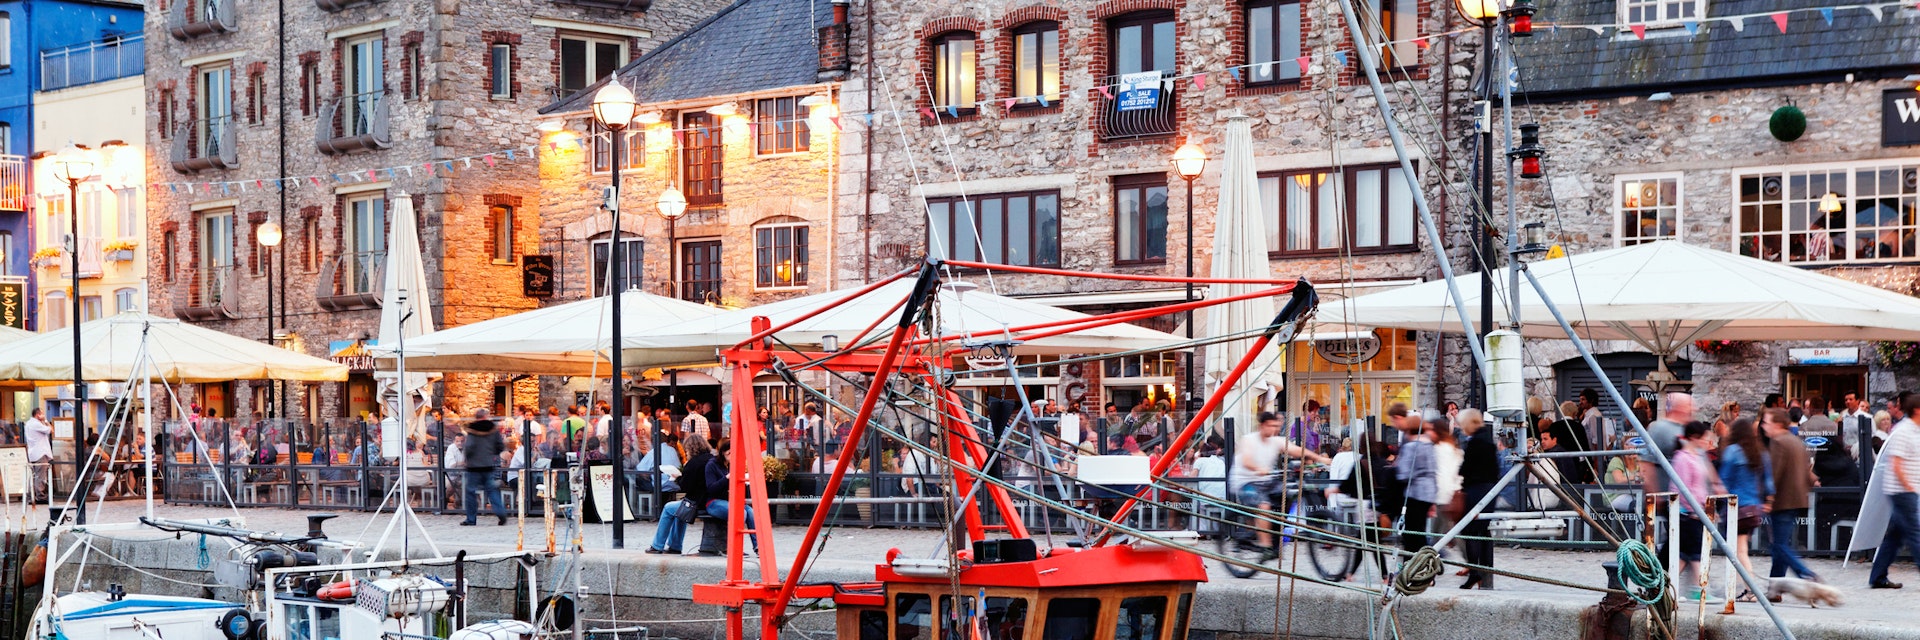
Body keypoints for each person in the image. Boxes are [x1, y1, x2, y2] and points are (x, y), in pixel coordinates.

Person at [1229, 412, 1330, 559]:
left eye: (1276, 426)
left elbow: (1297, 450)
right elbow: (1246, 460)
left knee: (1288, 493)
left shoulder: (1276, 441)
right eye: (1270, 426)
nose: (1274, 429)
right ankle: (1266, 547)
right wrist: (1258, 469)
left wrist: (1318, 458)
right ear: (1262, 426)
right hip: (1245, 481)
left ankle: (1276, 534)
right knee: (1264, 505)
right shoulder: (1249, 440)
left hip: (1266, 481)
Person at [1761, 408, 1819, 584]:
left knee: (1779, 545)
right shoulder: (1796, 441)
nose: (1763, 426)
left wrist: (1768, 499)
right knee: (1780, 543)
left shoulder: (1778, 442)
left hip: (1783, 500)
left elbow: (1774, 474)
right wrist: (1814, 480)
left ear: (1777, 424)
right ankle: (1775, 586)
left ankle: (1805, 574)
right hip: (1796, 498)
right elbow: (1806, 469)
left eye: (1766, 422)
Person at [1717, 417, 1772, 603]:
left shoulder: (1732, 451)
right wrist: (1768, 501)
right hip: (1754, 509)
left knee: (1740, 552)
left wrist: (1718, 505)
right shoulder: (1759, 453)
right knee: (1741, 550)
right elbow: (1768, 482)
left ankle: (1751, 589)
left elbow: (1723, 481)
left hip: (1737, 509)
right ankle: (1746, 589)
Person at [1869, 392, 1920, 589]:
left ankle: (1877, 576)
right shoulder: (1904, 431)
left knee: (1895, 536)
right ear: (1916, 410)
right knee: (1915, 533)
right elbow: (1896, 463)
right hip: (1902, 490)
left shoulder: (1914, 430)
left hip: (1907, 489)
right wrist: (1908, 486)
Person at [1673, 420, 1726, 601]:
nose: (1707, 442)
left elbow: (1699, 486)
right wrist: (1694, 510)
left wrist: (1706, 508)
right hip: (1688, 513)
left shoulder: (1695, 457)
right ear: (1695, 437)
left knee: (1686, 555)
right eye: (1704, 438)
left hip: (1696, 511)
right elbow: (1683, 487)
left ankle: (1670, 588)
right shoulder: (1683, 458)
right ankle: (1698, 590)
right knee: (1693, 554)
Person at [1396, 410, 1439, 554]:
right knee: (1420, 530)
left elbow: (1404, 473)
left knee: (1411, 534)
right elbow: (1434, 471)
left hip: (1414, 493)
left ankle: (1413, 564)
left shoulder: (1410, 447)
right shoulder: (1429, 446)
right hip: (1428, 493)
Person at [461, 409, 509, 526]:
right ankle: (501, 512)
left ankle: (471, 519)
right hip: (488, 464)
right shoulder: (493, 429)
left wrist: (467, 458)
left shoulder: (472, 429)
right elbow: (500, 445)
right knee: (492, 491)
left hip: (474, 466)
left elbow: (470, 446)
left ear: (476, 417)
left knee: (471, 492)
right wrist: (492, 454)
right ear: (486, 416)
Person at [24, 408, 52, 501]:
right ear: (38, 415)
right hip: (40, 452)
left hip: (32, 453)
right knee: (40, 475)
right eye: (42, 414)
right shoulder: (36, 424)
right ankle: (40, 495)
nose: (43, 415)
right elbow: (50, 430)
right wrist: (46, 421)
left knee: (33, 475)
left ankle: (30, 495)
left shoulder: (29, 423)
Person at [1579, 388, 1607, 454]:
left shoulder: (1593, 416)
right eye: (1580, 399)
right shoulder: (1588, 414)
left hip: (1592, 455)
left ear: (1591, 400)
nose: (1580, 402)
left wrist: (1597, 460)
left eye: (1583, 399)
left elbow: (1596, 439)